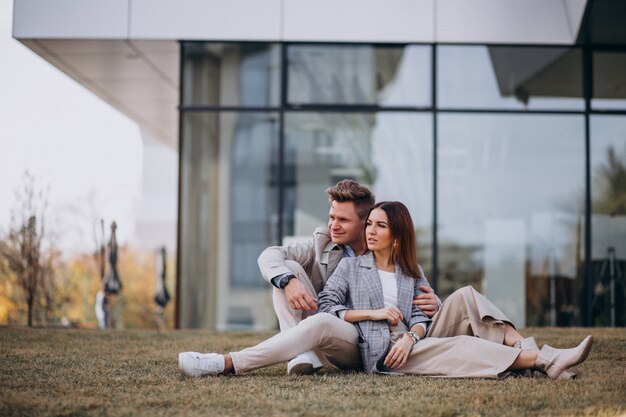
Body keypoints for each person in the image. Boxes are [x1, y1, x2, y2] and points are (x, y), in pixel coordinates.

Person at [178, 201, 592, 379]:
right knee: (461, 351)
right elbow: (328, 306)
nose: (371, 231)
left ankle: (542, 357)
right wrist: (373, 315)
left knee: (465, 298)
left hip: (411, 343)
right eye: (370, 224)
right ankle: (224, 363)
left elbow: (423, 315)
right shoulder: (350, 265)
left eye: (380, 225)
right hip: (375, 347)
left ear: (396, 236)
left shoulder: (411, 270)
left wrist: (414, 332)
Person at [257, 179, 441, 374]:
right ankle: (300, 355)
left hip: (359, 340)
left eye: (343, 220)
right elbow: (270, 255)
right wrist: (289, 281)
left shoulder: (389, 255)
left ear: (365, 222)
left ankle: (236, 361)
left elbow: (411, 295)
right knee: (289, 269)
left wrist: (435, 303)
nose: (333, 226)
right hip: (319, 324)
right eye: (332, 217)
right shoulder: (322, 245)